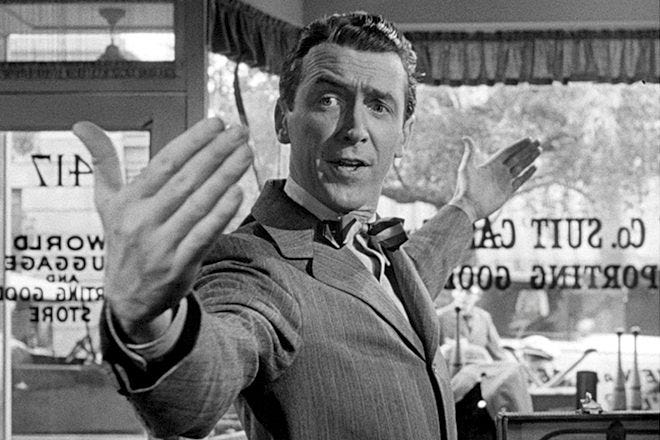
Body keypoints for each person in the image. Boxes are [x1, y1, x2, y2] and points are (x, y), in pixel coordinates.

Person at [73, 12, 541, 440]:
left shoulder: (375, 253)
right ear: (284, 120)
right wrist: (146, 321)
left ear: (404, 134)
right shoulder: (256, 266)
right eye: (329, 99)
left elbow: (413, 272)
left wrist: (467, 206)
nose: (354, 127)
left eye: (379, 106)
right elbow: (198, 387)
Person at [437, 286, 508, 364]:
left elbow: (498, 352)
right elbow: (432, 355)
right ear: (453, 293)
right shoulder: (439, 317)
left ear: (478, 296)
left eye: (469, 292)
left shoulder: (484, 317)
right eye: (460, 290)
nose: (463, 295)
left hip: (478, 369)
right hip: (451, 368)